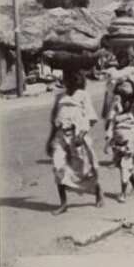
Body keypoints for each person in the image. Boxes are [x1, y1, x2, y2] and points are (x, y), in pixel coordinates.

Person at [47, 69, 103, 215]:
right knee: (58, 166)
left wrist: (81, 135)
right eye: (66, 80)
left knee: (85, 169)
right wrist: (50, 140)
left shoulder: (83, 96)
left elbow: (91, 118)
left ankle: (97, 190)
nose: (68, 82)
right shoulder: (59, 97)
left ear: (76, 80)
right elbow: (54, 121)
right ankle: (63, 203)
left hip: (78, 137)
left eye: (71, 79)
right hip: (60, 137)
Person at [104, 80, 134, 202]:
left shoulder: (132, 117)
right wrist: (108, 142)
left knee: (125, 167)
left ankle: (123, 194)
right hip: (117, 144)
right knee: (123, 167)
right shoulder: (116, 112)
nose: (121, 101)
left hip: (128, 145)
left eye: (124, 99)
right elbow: (110, 125)